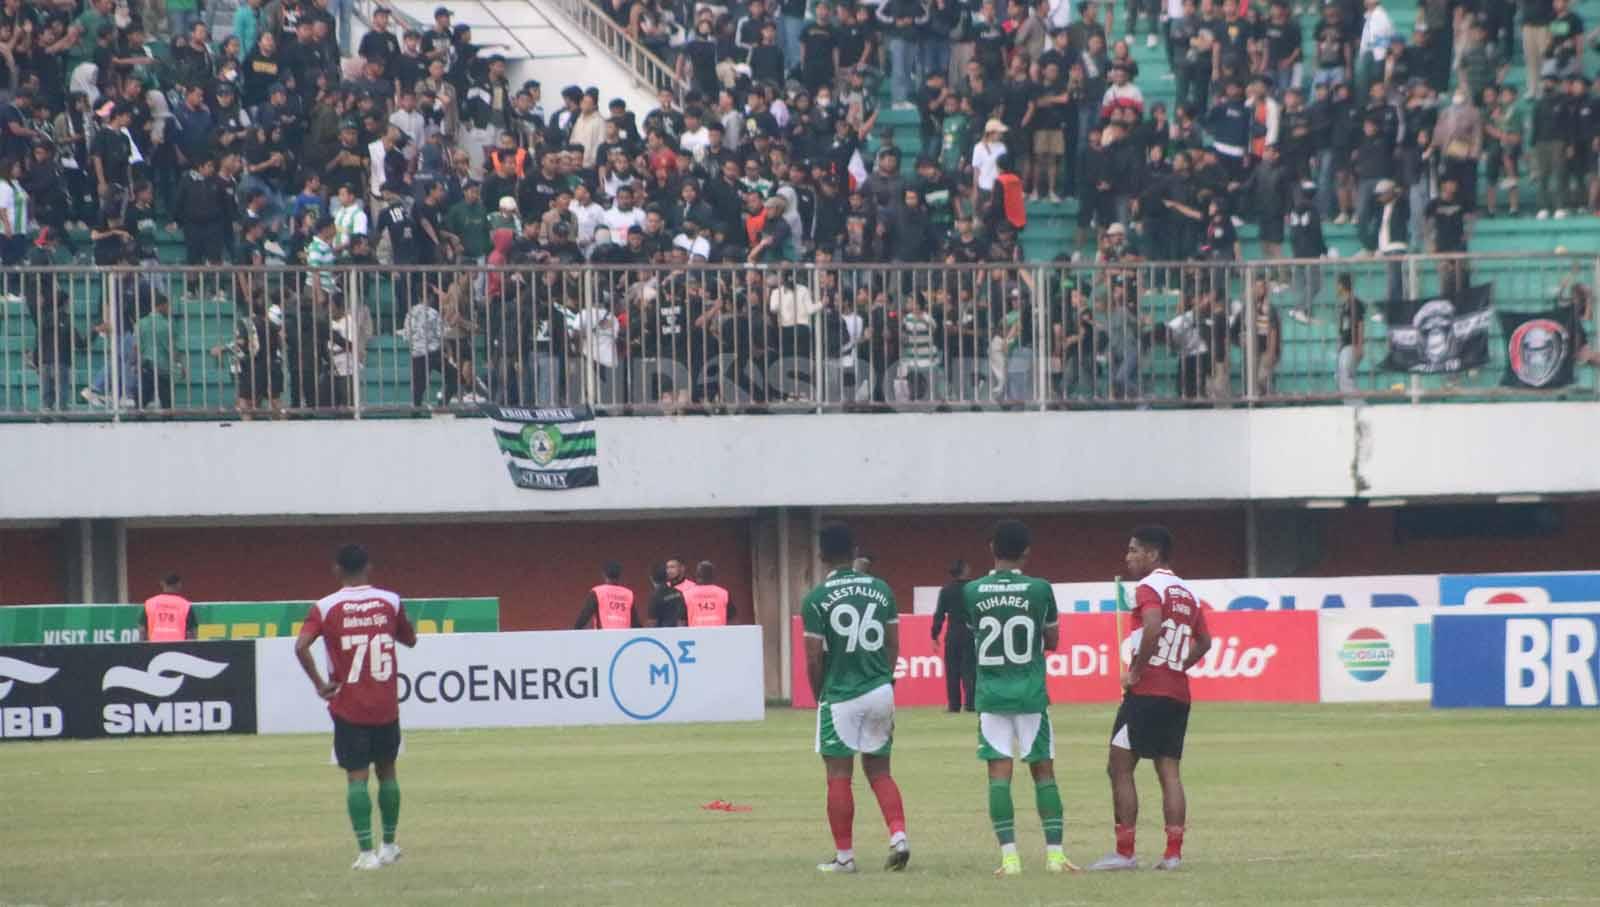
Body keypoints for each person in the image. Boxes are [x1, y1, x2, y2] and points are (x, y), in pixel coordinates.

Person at [1088, 526, 1212, 872]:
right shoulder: (1188, 591)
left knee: (1119, 766)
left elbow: (1154, 627)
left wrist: (1138, 672)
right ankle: (1173, 854)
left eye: (1133, 550)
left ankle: (1125, 853)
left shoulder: (1149, 587)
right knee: (1169, 771)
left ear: (1152, 554)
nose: (1127, 557)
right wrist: (1177, 665)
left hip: (1147, 693)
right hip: (1177, 693)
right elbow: (1205, 642)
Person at [294, 544, 418, 871]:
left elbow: (301, 646)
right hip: (386, 704)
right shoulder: (390, 601)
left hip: (349, 706)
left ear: (337, 569)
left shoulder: (325, 607)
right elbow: (410, 639)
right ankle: (389, 845)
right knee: (388, 771)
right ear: (370, 566)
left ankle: (366, 854)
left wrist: (320, 684)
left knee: (357, 778)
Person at [959, 520, 1070, 876]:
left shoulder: (973, 591)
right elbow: (1052, 640)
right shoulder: (1040, 589)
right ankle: (1055, 857)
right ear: (1027, 552)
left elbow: (974, 634)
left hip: (991, 695)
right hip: (1031, 694)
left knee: (998, 775)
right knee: (1044, 773)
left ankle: (1009, 859)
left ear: (992, 549)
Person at [802, 523, 910, 874]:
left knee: (838, 774)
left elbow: (814, 656)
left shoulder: (817, 597)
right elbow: (893, 643)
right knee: (880, 770)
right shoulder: (881, 589)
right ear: (854, 551)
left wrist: (821, 695)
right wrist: (885, 679)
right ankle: (899, 836)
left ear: (821, 556)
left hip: (841, 694)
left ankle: (845, 857)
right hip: (880, 689)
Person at [929, 559, 975, 712]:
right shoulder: (973, 588)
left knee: (952, 670)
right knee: (970, 670)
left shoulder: (946, 590)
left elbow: (939, 614)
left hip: (953, 632)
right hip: (970, 632)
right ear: (964, 570)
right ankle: (971, 703)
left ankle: (954, 705)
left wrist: (934, 634)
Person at [574, 561, 639, 629]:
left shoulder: (597, 592)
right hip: (624, 638)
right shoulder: (628, 594)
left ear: (604, 574)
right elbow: (635, 623)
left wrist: (575, 631)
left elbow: (583, 618)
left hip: (603, 637)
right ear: (619, 575)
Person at [140, 573, 196, 642]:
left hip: (154, 647)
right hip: (178, 647)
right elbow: (192, 633)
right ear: (179, 585)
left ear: (162, 584)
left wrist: (143, 647)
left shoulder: (150, 603)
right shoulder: (185, 605)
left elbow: (142, 630)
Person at [683, 561, 734, 626]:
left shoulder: (687, 595)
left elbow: (681, 622)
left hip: (695, 635)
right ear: (713, 576)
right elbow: (732, 620)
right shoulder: (724, 593)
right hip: (720, 635)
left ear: (697, 575)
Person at [647, 562, 687, 627]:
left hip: (662, 634)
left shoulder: (655, 596)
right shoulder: (679, 593)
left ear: (651, 578)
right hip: (679, 633)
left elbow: (652, 623)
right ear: (667, 577)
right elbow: (683, 620)